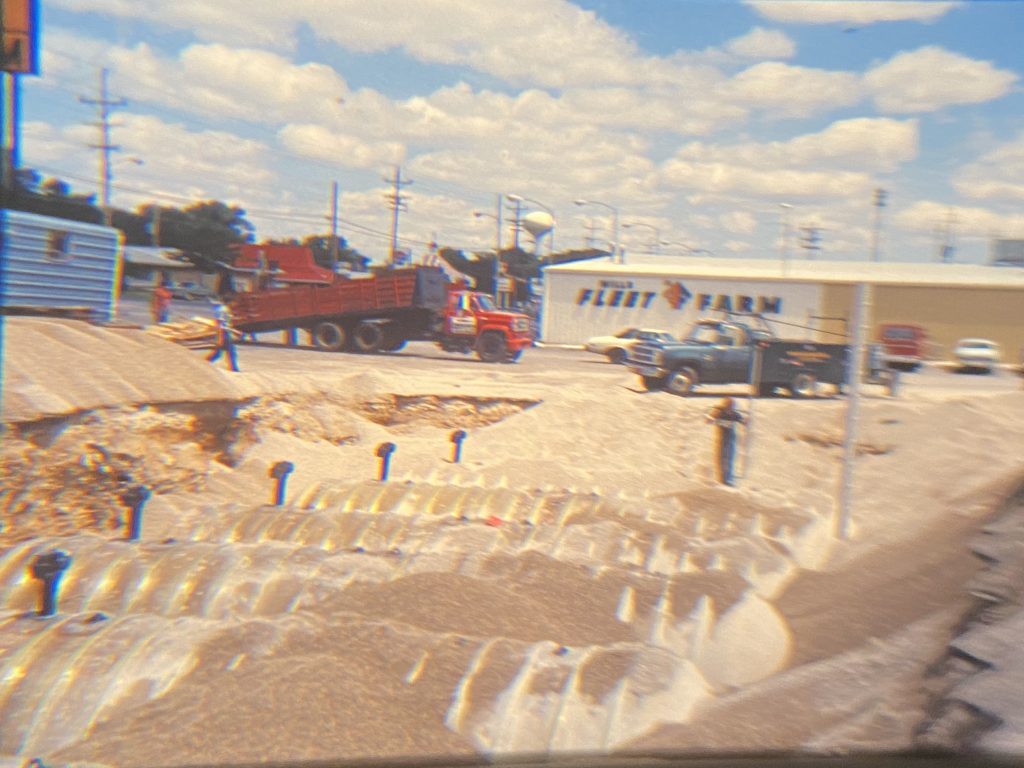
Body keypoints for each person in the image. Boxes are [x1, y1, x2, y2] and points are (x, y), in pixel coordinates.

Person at [705, 397, 746, 486]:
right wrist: (713, 416)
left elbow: (743, 421)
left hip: (730, 439)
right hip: (721, 439)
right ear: (725, 405)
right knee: (721, 458)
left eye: (732, 405)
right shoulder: (719, 412)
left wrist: (746, 421)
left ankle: (728, 478)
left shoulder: (734, 414)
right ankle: (722, 479)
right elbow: (708, 420)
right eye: (729, 405)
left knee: (729, 458)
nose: (731, 407)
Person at [206, 302, 240, 372]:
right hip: (223, 333)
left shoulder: (224, 310)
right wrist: (220, 338)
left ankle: (233, 367)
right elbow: (220, 325)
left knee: (229, 352)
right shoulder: (223, 310)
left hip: (225, 333)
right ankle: (205, 362)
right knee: (222, 352)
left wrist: (234, 331)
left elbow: (226, 324)